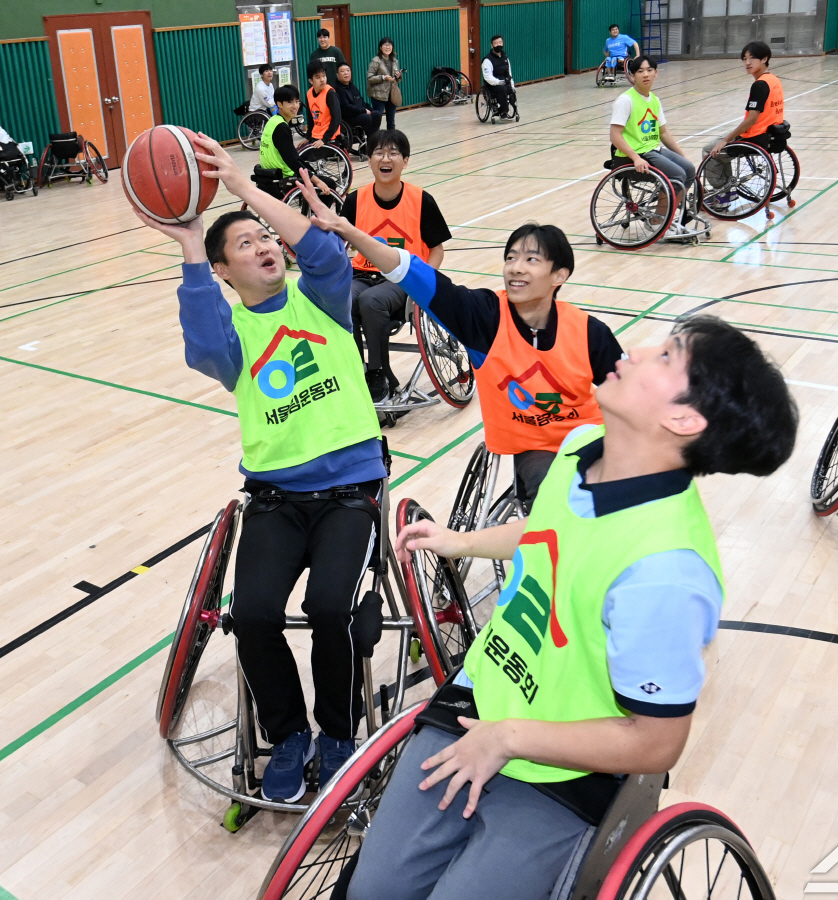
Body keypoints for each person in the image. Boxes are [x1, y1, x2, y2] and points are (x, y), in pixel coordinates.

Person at [334, 306, 798, 900]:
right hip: (482, 702)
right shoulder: (582, 445)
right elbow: (548, 530)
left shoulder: (666, 571)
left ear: (683, 420)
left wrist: (509, 738)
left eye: (665, 357)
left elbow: (657, 744)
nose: (635, 351)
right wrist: (461, 542)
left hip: (564, 769)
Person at [129, 138, 386, 803]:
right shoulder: (233, 338)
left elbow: (326, 250)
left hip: (350, 494)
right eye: (245, 244)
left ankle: (336, 731)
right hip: (275, 499)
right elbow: (203, 343)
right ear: (222, 269)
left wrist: (244, 190)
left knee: (330, 607)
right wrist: (190, 239)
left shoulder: (321, 299)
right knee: (254, 615)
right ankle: (288, 732)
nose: (264, 245)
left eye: (266, 237)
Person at [298, 177, 622, 504]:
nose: (515, 268)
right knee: (563, 494)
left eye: (531, 260)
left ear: (560, 275)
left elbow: (628, 391)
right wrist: (346, 228)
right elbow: (412, 272)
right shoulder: (484, 317)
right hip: (536, 448)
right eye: (510, 258)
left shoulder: (588, 331)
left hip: (589, 436)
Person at [340, 128, 452, 404]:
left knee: (370, 301)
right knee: (342, 298)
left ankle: (379, 373)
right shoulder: (355, 200)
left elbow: (437, 250)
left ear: (406, 161)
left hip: (404, 279)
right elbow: (339, 246)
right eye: (378, 152)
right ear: (369, 159)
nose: (385, 158)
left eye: (392, 153)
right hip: (363, 274)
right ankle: (357, 370)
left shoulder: (420, 199)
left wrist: (422, 285)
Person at [610, 55, 700, 237]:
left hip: (653, 150)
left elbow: (663, 133)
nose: (646, 75)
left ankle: (664, 216)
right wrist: (635, 157)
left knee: (689, 170)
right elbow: (614, 135)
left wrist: (682, 154)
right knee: (678, 174)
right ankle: (657, 222)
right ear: (632, 75)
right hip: (632, 155)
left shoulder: (654, 100)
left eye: (649, 70)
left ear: (656, 73)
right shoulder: (625, 100)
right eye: (640, 71)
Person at [702, 40, 783, 179]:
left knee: (709, 151)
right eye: (745, 59)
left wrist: (726, 140)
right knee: (721, 141)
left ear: (764, 59)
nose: (747, 63)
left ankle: (723, 192)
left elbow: (751, 120)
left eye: (752, 58)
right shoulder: (774, 80)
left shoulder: (760, 85)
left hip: (755, 137)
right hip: (772, 134)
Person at [256, 85, 333, 196]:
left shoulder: (273, 121)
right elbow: (292, 161)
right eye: (290, 102)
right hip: (283, 178)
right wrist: (317, 181)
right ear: (279, 104)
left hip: (268, 174)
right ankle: (318, 213)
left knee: (309, 169)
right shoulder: (281, 128)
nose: (295, 106)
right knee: (328, 184)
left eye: (297, 101)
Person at [334, 62, 382, 143]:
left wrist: (370, 110)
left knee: (377, 114)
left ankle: (372, 140)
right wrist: (363, 111)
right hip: (348, 117)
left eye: (348, 70)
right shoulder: (338, 89)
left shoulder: (352, 86)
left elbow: (361, 101)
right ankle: (370, 142)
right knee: (367, 118)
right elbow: (346, 108)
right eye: (342, 71)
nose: (346, 73)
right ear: (337, 75)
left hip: (358, 113)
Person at [367, 37, 403, 130]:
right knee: (377, 121)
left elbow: (397, 80)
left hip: (392, 94)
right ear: (380, 47)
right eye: (385, 45)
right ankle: (375, 140)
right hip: (378, 95)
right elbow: (370, 77)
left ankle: (391, 142)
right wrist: (383, 77)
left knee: (391, 122)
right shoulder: (376, 60)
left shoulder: (395, 61)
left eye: (390, 45)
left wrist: (398, 76)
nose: (388, 47)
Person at [306, 61, 343, 146]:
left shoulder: (330, 93)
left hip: (330, 139)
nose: (322, 79)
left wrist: (324, 139)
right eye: (318, 77)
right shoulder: (309, 93)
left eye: (324, 75)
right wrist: (307, 136)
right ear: (311, 81)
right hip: (316, 137)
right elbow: (310, 118)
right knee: (297, 153)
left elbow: (337, 119)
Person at [482, 34, 517, 119]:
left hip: (504, 81)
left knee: (511, 90)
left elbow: (509, 73)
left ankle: (512, 108)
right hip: (492, 85)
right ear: (492, 45)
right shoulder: (487, 60)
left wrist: (512, 84)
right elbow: (487, 77)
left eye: (500, 42)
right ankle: (502, 110)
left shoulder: (505, 57)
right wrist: (498, 82)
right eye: (496, 43)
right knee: (502, 89)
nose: (498, 45)